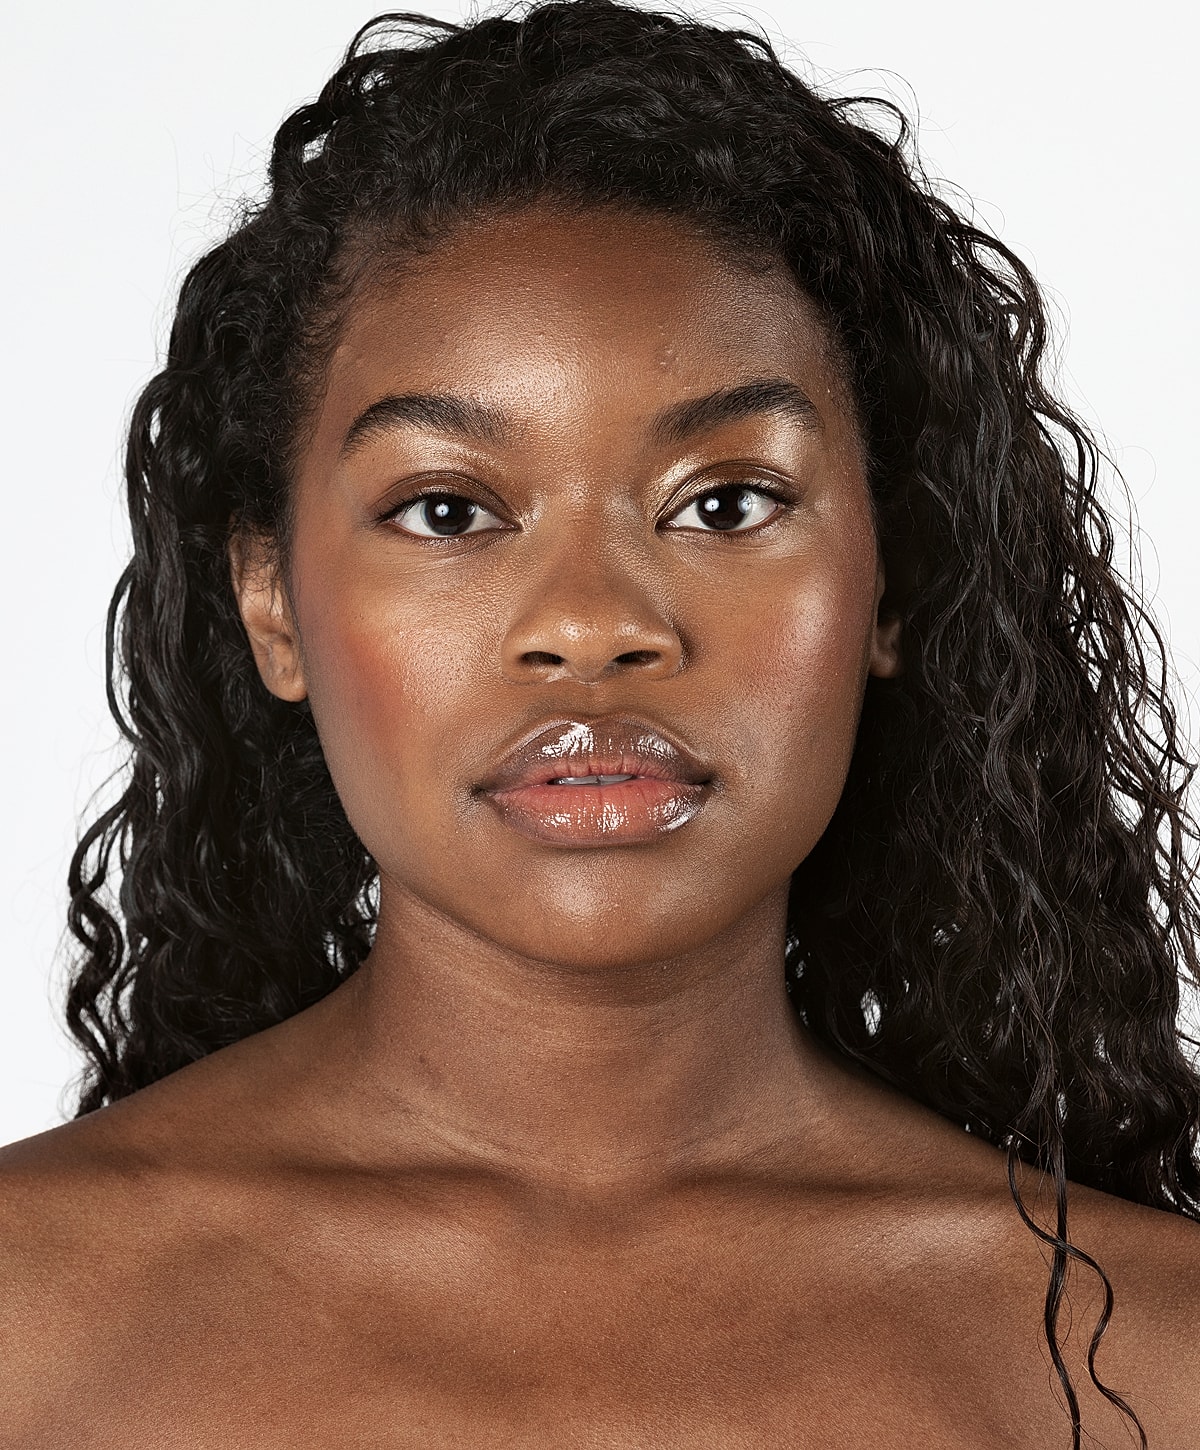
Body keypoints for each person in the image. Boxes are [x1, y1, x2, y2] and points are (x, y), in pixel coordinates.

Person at [2, 1, 1198, 1443]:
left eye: (725, 502)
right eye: (447, 509)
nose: (594, 623)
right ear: (271, 602)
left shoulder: (1154, 1359)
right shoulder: (30, 1313)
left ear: (894, 578)